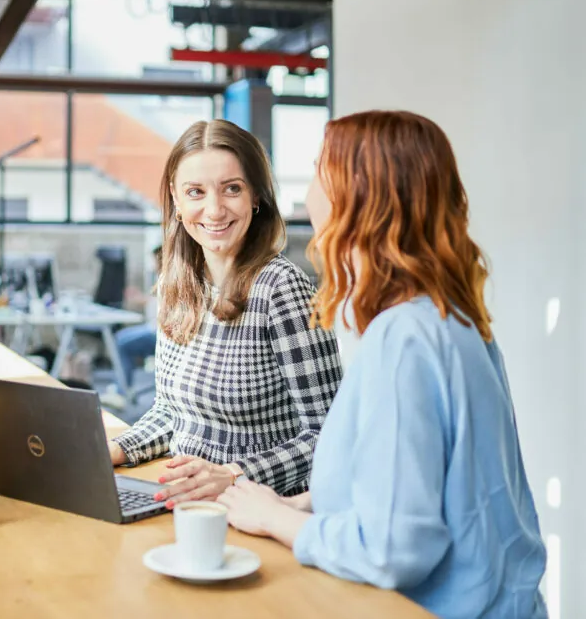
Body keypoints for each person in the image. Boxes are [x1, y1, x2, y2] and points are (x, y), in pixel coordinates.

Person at [218, 111, 547, 619]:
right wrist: (300, 505)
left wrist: (272, 519)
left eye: (316, 172)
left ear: (356, 197)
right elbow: (432, 487)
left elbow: (394, 549)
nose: (306, 194)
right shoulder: (454, 316)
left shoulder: (403, 339)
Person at [108, 119, 343, 506]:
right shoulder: (177, 281)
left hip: (260, 506)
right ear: (177, 200)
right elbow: (172, 413)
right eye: (195, 192)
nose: (214, 210)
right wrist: (116, 449)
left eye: (231, 189)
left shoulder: (281, 290)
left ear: (255, 196)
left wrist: (234, 474)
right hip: (181, 494)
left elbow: (331, 434)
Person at [113, 245, 163, 394]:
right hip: (152, 327)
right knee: (119, 337)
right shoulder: (161, 278)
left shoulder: (171, 278)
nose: (154, 265)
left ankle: (122, 391)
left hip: (159, 333)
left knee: (122, 342)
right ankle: (123, 386)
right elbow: (156, 301)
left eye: (156, 260)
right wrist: (143, 299)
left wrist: (143, 300)